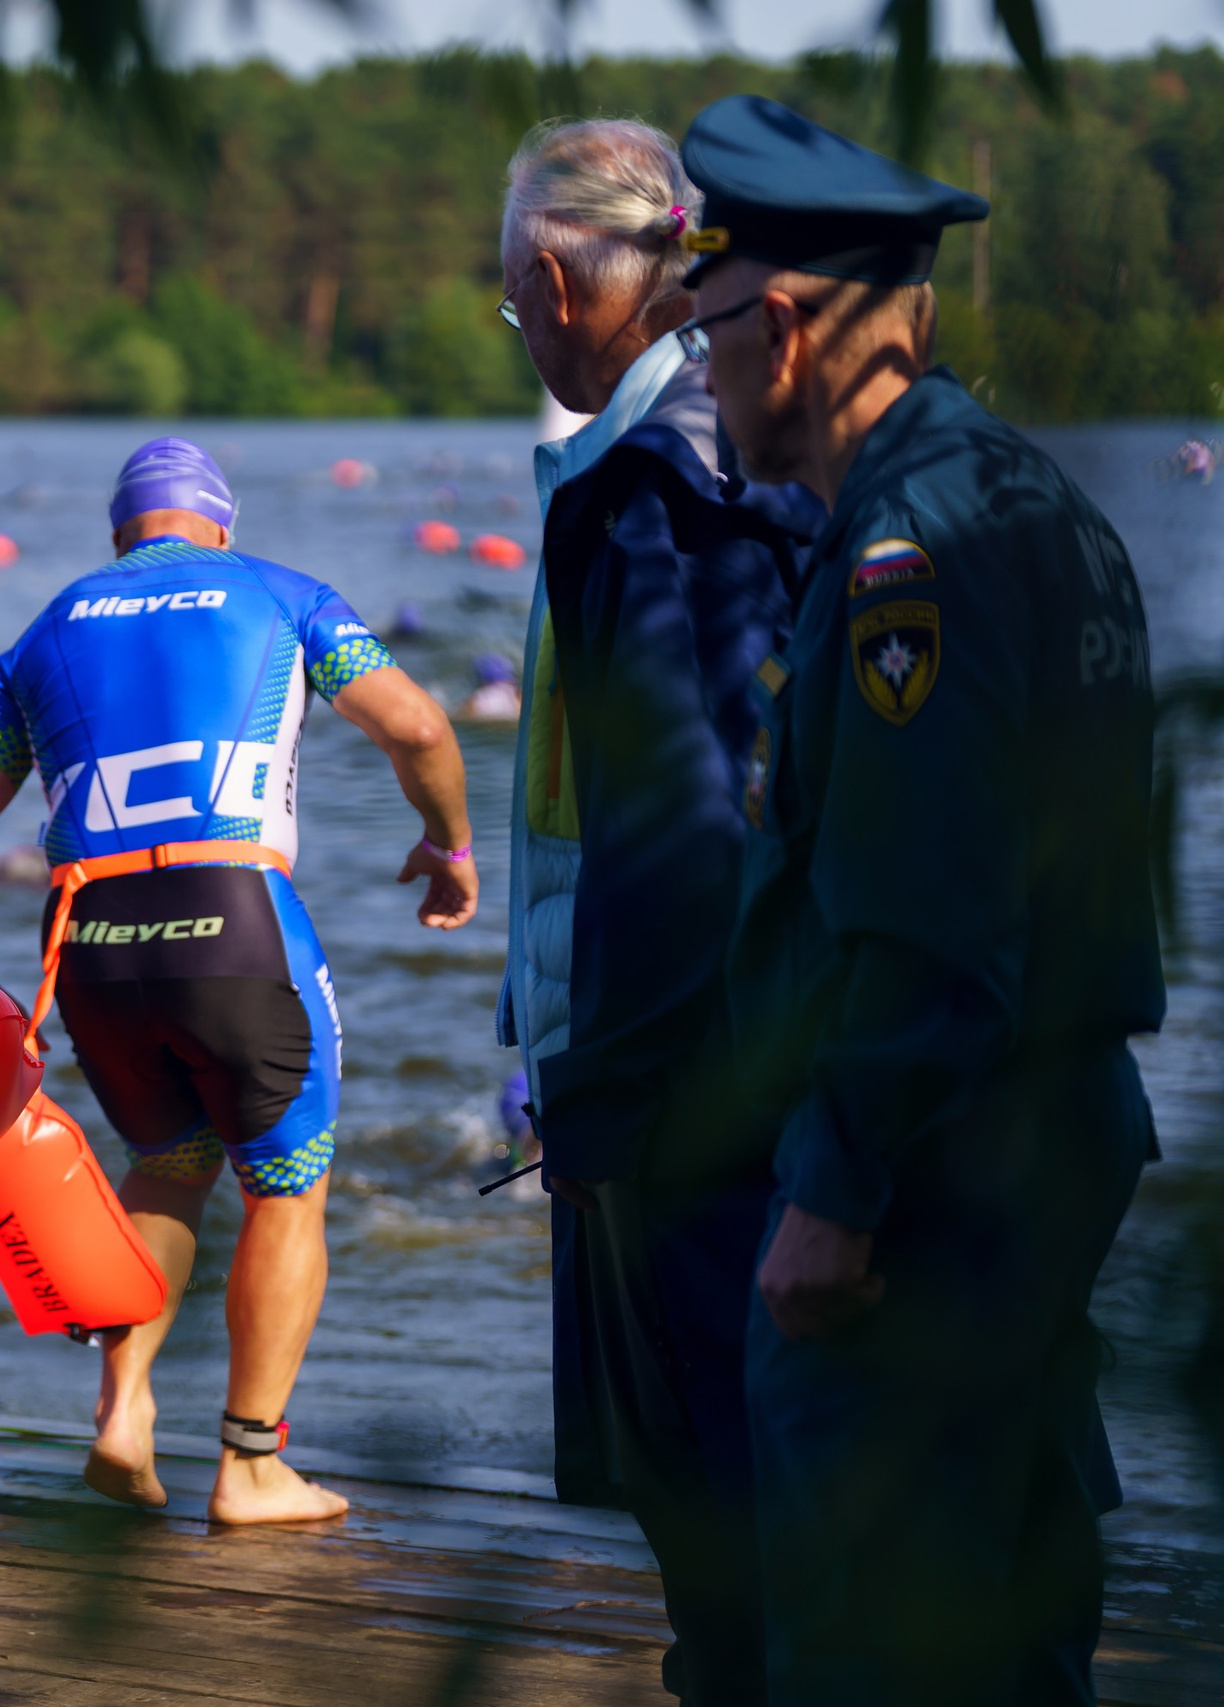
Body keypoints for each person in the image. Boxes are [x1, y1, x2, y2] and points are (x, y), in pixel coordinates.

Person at [685, 96, 1163, 1705]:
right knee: (1009, 1592)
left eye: (712, 326)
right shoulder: (1025, 495)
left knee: (874, 1627)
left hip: (930, 1172)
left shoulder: (910, 548)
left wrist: (836, 1183)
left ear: (795, 328)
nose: (702, 365)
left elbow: (928, 912)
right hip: (1041, 1127)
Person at [0, 437, 477, 1525]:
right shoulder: (281, 592)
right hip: (232, 924)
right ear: (217, 526)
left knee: (169, 1165)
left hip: (86, 944)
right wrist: (447, 846)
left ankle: (124, 1412)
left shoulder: (45, 630)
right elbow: (416, 724)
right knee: (286, 1184)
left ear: (119, 534)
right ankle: (251, 1463)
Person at [495, 117, 815, 1705]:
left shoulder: (648, 486)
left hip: (679, 1085)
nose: (521, 326)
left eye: (511, 303)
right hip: (744, 1059)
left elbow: (678, 829)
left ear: (557, 281)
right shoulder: (737, 438)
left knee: (713, 1504)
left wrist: (604, 1088)